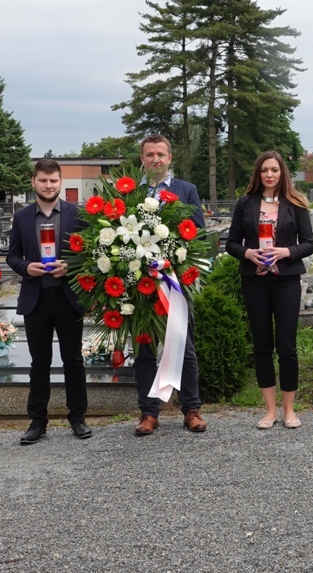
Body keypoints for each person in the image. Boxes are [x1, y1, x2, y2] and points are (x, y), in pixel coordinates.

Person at [226, 151, 313, 430]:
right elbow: (231, 243)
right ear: (258, 173)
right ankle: (269, 410)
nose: (269, 174)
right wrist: (248, 253)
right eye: (264, 170)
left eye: (274, 170)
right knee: (262, 346)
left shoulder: (296, 203)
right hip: (255, 281)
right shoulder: (246, 203)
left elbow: (309, 244)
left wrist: (285, 251)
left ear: (282, 173)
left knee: (286, 346)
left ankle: (289, 410)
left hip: (286, 280)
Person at [6, 158, 91, 445]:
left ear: (60, 182)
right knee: (39, 363)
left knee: (73, 360)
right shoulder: (21, 217)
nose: (48, 185)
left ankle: (77, 418)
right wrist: (25, 267)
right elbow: (12, 256)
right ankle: (37, 422)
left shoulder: (76, 214)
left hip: (68, 298)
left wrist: (70, 265)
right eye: (43, 180)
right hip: (37, 299)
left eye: (53, 180)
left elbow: (88, 254)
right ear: (34, 182)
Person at [133, 134, 207, 435]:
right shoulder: (130, 193)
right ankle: (149, 413)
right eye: (150, 155)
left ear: (170, 157)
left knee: (184, 344)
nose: (156, 160)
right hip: (140, 284)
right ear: (142, 159)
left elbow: (198, 234)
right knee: (144, 348)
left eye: (161, 154)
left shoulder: (186, 190)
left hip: (175, 282)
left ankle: (191, 408)